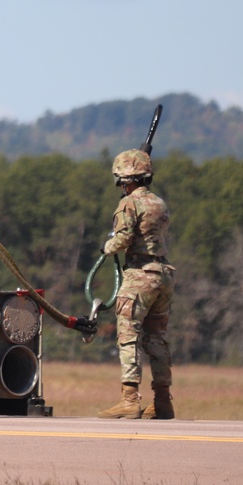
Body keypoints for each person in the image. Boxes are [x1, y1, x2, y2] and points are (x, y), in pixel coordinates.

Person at [98, 149, 176, 419]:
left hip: (140, 275)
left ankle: (129, 399)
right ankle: (163, 401)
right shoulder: (159, 203)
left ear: (125, 179)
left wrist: (106, 247)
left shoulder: (128, 204)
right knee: (157, 340)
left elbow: (122, 240)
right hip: (163, 274)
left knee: (128, 336)